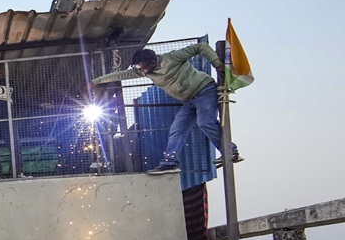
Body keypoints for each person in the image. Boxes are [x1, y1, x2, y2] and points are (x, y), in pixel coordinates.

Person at [93, 45, 243, 174]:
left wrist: (216, 63)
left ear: (153, 62)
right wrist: (97, 81)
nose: (143, 72)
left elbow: (200, 47)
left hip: (205, 91)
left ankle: (230, 151)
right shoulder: (143, 70)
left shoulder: (172, 57)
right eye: (139, 69)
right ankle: (170, 162)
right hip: (189, 101)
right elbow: (122, 74)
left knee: (205, 122)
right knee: (176, 129)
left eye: (144, 68)